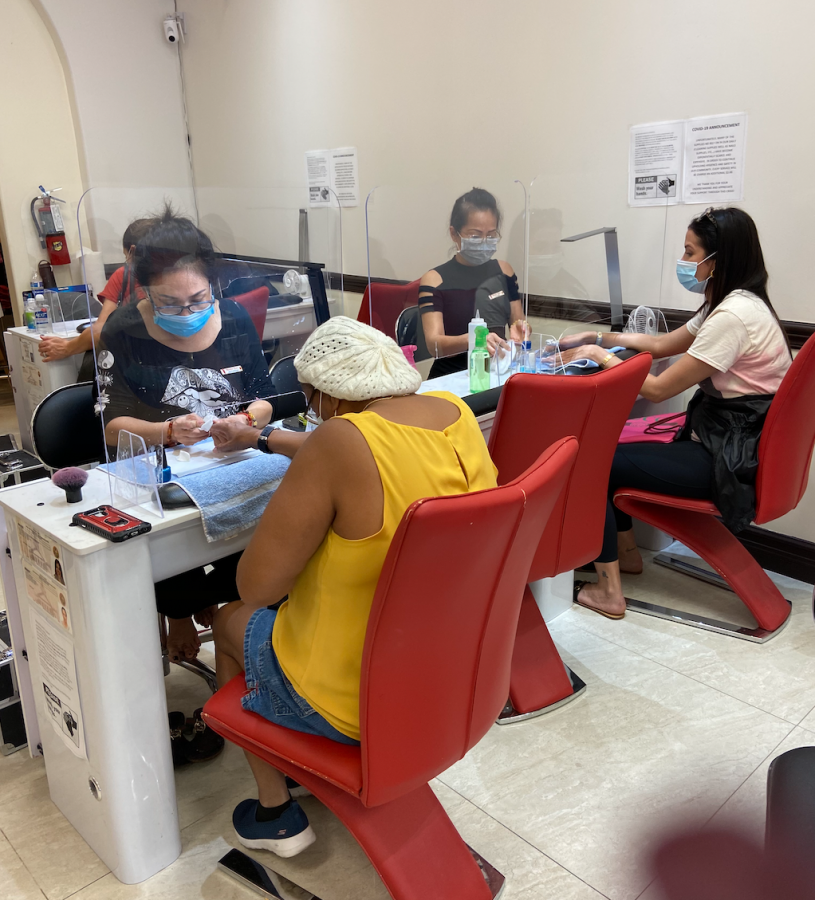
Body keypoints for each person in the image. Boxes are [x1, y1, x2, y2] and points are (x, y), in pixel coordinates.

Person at [211, 316, 498, 858]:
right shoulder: (455, 413)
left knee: (229, 618)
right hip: (451, 676)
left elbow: (256, 585)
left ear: (325, 395)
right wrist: (265, 437)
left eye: (310, 400)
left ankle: (275, 811)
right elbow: (362, 452)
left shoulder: (341, 438)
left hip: (351, 703)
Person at [557, 207, 791, 619]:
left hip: (730, 460)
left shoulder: (733, 317)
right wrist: (597, 334)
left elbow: (658, 386)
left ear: (719, 259)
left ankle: (609, 590)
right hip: (738, 447)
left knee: (594, 459)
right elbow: (664, 345)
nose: (684, 262)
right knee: (610, 451)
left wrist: (597, 355)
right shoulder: (734, 303)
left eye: (690, 252)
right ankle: (625, 555)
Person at [98, 204, 276, 661]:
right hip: (163, 474)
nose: (187, 311)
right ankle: (182, 609)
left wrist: (247, 422)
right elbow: (112, 426)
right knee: (167, 542)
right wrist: (166, 431)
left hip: (235, 458)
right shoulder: (124, 328)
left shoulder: (233, 317)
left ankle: (232, 606)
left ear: (212, 285)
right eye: (169, 304)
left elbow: (264, 397)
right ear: (144, 291)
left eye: (198, 299)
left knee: (273, 520)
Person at [419, 188, 529, 378]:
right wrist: (474, 339)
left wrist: (521, 332)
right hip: (452, 376)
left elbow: (518, 323)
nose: (485, 242)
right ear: (454, 234)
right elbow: (433, 345)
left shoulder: (504, 271)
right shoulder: (435, 279)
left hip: (496, 372)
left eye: (491, 235)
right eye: (476, 236)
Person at [38, 218, 152, 364]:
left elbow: (101, 331)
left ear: (132, 251)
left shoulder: (124, 276)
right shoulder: (182, 277)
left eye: (127, 257)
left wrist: (67, 347)